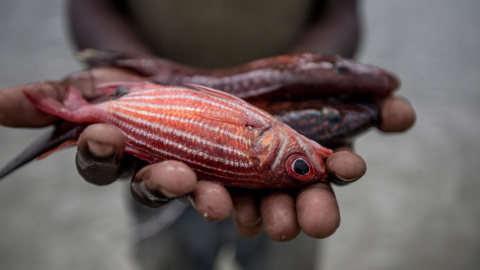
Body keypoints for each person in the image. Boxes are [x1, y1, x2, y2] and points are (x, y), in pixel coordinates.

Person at [0, 0, 416, 269]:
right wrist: (134, 71)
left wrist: (320, 69)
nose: (311, 158)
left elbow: (339, 9)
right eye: (300, 164)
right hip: (153, 162)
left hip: (176, 138)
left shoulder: (271, 141)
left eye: (302, 162)